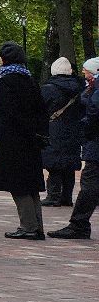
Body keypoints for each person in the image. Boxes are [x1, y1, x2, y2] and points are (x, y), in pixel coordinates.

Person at [0, 42, 49, 240]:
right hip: (30, 140)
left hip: (13, 140)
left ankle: (29, 226)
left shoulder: (7, 81)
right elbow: (40, 110)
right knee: (31, 185)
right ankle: (37, 225)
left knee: (18, 184)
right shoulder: (29, 79)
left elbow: (7, 112)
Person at [49, 57, 99, 239]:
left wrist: (87, 129)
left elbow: (94, 112)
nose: (84, 73)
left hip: (95, 143)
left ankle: (79, 224)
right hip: (87, 138)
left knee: (90, 184)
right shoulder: (84, 87)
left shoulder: (94, 87)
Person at [41, 58, 84, 207]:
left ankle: (53, 195)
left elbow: (41, 110)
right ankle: (67, 197)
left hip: (54, 128)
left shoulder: (48, 89)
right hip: (74, 129)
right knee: (69, 164)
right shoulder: (80, 88)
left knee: (54, 163)